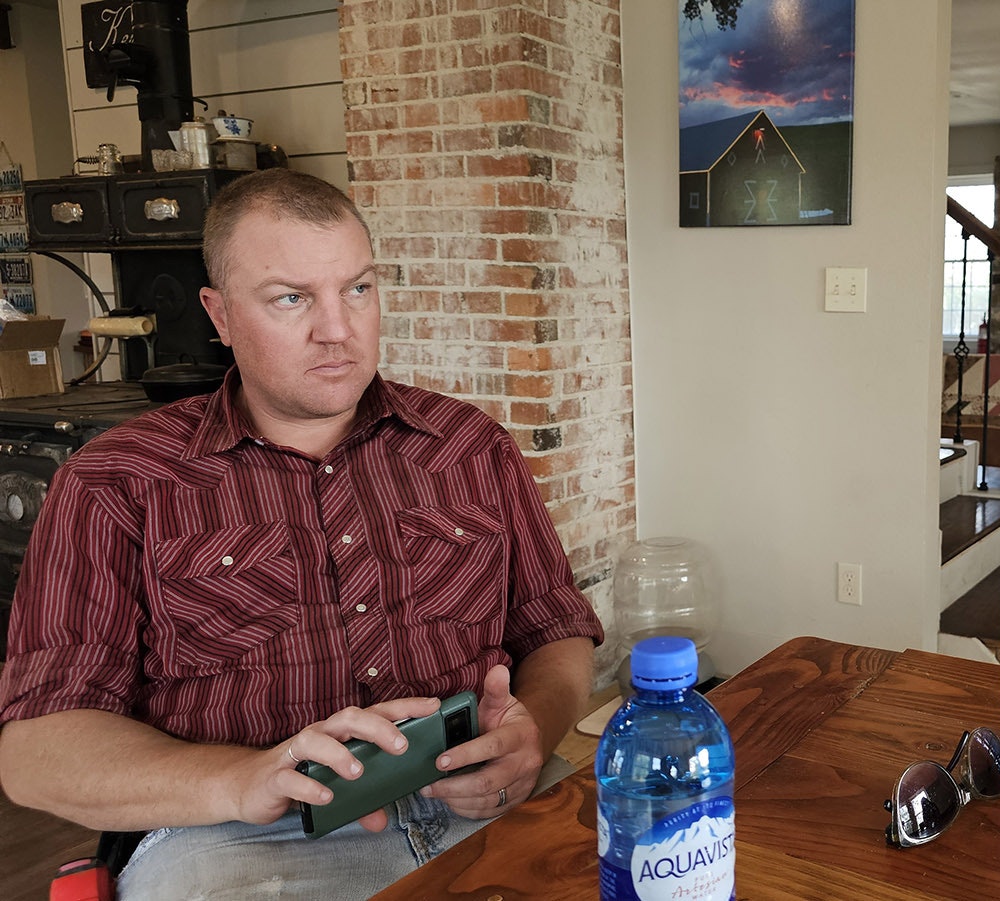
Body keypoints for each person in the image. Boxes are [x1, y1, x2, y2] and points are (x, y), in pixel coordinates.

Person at [0, 168, 605, 897]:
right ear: (219, 316)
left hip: (486, 797)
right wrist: (241, 778)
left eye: (358, 288)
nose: (338, 329)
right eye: (292, 297)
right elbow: (38, 748)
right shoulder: (115, 482)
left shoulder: (469, 446)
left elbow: (557, 630)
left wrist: (531, 730)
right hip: (241, 837)